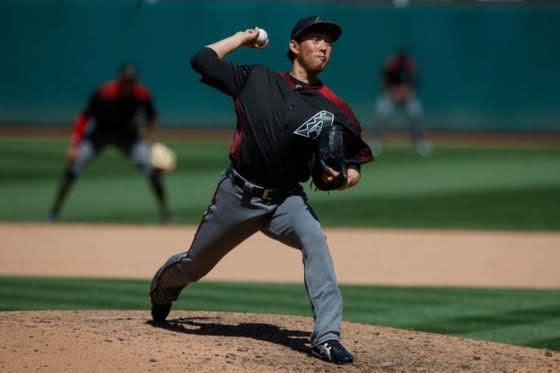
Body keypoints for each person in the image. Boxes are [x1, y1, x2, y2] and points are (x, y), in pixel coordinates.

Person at [149, 16, 373, 365]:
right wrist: (242, 37)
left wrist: (341, 179)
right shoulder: (255, 79)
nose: (324, 46)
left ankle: (326, 337)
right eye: (315, 38)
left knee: (314, 239)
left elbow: (356, 164)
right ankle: (163, 289)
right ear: (294, 47)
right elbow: (202, 59)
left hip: (286, 200)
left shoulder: (335, 109)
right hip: (237, 195)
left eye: (329, 41)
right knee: (194, 265)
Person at [47, 63, 173, 223]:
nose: (128, 84)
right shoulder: (104, 93)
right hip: (99, 134)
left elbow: (152, 119)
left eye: (131, 80)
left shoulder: (142, 95)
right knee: (73, 166)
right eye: (125, 80)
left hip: (128, 136)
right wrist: (74, 145)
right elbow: (84, 117)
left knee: (152, 169)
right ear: (119, 79)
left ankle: (166, 213)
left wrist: (154, 144)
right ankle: (54, 211)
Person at [369, 49, 432, 157]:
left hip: (406, 95)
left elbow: (413, 83)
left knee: (415, 112)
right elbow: (383, 82)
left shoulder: (410, 65)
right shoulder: (390, 64)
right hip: (391, 93)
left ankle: (420, 142)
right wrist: (394, 92)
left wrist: (404, 92)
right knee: (382, 112)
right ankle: (375, 142)